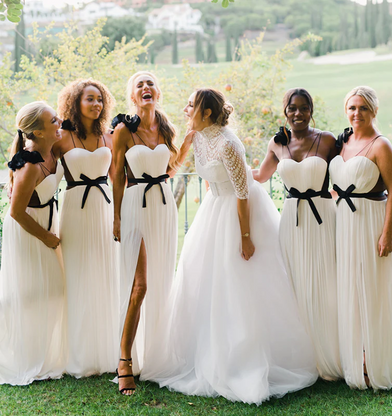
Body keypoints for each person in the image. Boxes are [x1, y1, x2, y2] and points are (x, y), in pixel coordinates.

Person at [143, 88, 318, 405]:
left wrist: (246, 237)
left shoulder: (228, 143)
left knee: (241, 284)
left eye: (191, 105)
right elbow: (205, 178)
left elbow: (243, 193)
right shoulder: (198, 136)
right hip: (214, 211)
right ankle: (205, 351)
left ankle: (244, 357)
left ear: (206, 112)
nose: (186, 109)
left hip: (242, 215)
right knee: (203, 281)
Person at [252, 88, 342, 381]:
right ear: (285, 112)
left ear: (311, 110)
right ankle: (303, 354)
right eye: (292, 108)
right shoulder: (277, 144)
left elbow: (346, 172)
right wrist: (226, 170)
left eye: (304, 108)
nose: (298, 113)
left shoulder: (327, 140)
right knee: (295, 282)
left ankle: (333, 351)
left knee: (326, 281)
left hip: (323, 217)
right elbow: (260, 176)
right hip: (291, 220)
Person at [112, 71, 193, 395]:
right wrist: (116, 216)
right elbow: (116, 173)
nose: (146, 88)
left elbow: (171, 168)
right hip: (135, 207)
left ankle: (157, 354)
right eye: (139, 85)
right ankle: (124, 361)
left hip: (163, 207)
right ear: (133, 96)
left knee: (160, 280)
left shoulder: (166, 127)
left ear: (157, 92)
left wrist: (187, 141)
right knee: (139, 286)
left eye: (150, 83)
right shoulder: (123, 130)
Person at [329, 86, 392, 389]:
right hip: (345, 223)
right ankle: (354, 357)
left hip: (372, 223)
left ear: (374, 110)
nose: (356, 113)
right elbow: (340, 181)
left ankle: (376, 363)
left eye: (362, 108)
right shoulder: (344, 142)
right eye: (351, 108)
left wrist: (386, 234)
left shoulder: (381, 144)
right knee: (350, 289)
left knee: (372, 292)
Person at [54, 79, 119, 377]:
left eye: (100, 100)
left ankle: (107, 350)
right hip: (76, 209)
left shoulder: (110, 136)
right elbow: (38, 160)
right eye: (89, 99)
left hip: (104, 208)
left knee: (105, 274)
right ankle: (79, 354)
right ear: (75, 103)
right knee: (78, 277)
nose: (96, 105)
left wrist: (119, 215)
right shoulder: (61, 137)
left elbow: (121, 176)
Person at [0, 101, 66, 385]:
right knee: (30, 290)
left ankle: (48, 350)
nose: (59, 122)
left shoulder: (52, 152)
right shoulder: (29, 165)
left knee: (54, 289)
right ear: (37, 132)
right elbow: (15, 212)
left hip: (46, 222)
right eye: (54, 120)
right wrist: (47, 237)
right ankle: (22, 354)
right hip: (29, 229)